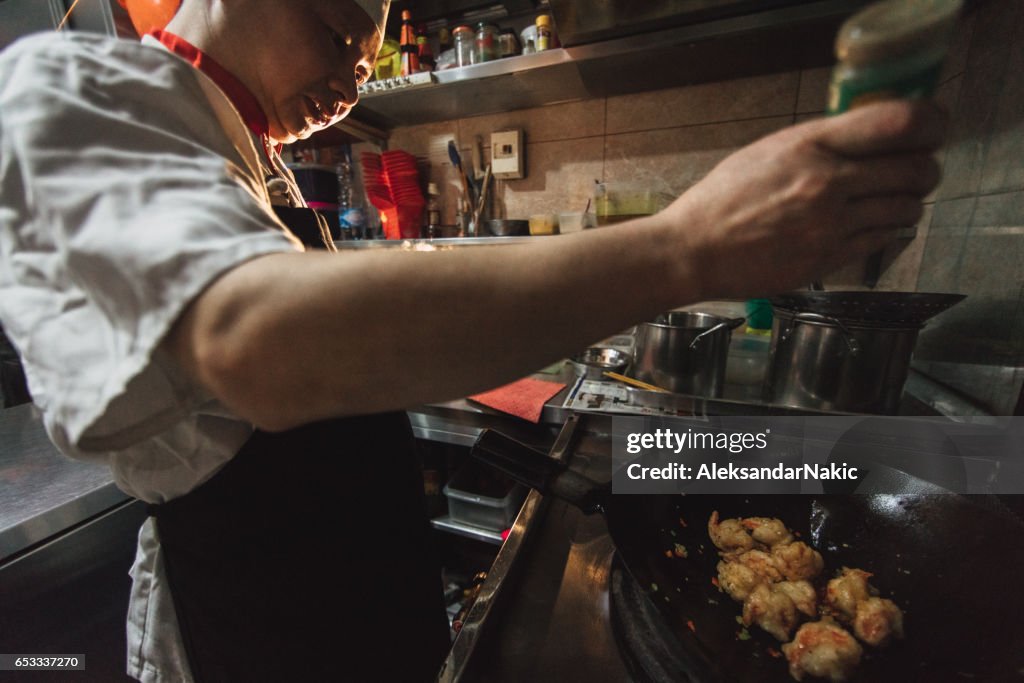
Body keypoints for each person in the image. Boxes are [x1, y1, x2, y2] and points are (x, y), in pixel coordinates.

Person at [0, 0, 946, 681]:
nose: (347, 84)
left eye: (365, 66)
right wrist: (689, 244)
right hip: (255, 633)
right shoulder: (75, 85)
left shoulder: (256, 174)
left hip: (366, 615)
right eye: (339, 37)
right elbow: (259, 339)